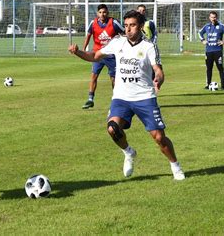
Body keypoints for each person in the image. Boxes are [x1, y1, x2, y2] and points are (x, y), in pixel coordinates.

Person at [68, 10, 185, 180]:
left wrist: (158, 79)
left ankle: (175, 166)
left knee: (159, 137)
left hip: (144, 97)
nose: (128, 29)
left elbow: (158, 70)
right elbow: (95, 56)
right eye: (127, 25)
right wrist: (78, 52)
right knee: (112, 129)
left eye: (133, 25)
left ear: (140, 27)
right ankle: (129, 152)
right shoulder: (117, 42)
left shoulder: (148, 46)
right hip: (121, 97)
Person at [81, 4, 124, 109]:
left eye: (104, 12)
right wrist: (83, 50)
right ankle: (90, 99)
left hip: (111, 56)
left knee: (113, 78)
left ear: (107, 13)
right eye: (100, 12)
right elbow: (88, 36)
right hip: (98, 55)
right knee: (94, 76)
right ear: (97, 13)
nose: (102, 14)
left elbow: (124, 34)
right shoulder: (93, 23)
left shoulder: (114, 22)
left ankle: (116, 99)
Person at [198, 11, 224, 90]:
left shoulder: (221, 26)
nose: (213, 19)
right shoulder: (207, 26)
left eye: (214, 17)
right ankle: (208, 84)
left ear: (216, 18)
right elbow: (199, 32)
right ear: (209, 18)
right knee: (209, 68)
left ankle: (223, 85)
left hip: (218, 51)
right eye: (211, 17)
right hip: (208, 51)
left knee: (220, 68)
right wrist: (202, 40)